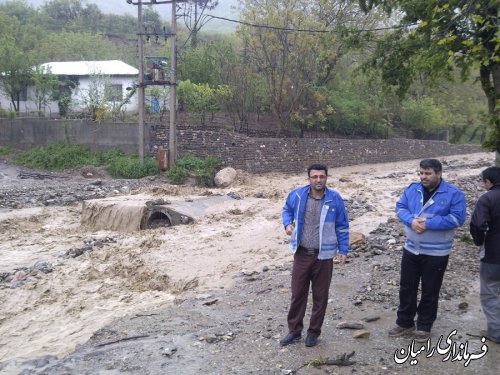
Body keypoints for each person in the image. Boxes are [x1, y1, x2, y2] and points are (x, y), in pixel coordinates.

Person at [390, 158, 466, 342]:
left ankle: (424, 325)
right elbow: (399, 207)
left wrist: (428, 223)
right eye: (421, 173)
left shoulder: (453, 194)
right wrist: (410, 220)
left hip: (436, 252)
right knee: (406, 287)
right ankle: (405, 321)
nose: (423, 177)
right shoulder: (411, 189)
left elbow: (458, 219)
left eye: (428, 174)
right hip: (411, 249)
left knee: (430, 290)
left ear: (439, 174)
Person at [280, 163, 349, 347]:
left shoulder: (334, 198)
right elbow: (286, 209)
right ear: (308, 178)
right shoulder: (298, 195)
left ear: (326, 177)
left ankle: (313, 332)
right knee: (297, 295)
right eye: (314, 177)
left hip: (324, 256)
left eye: (322, 177)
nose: (318, 180)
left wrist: (343, 249)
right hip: (302, 253)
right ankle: (294, 331)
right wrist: (287, 224)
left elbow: (342, 225)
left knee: (320, 296)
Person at [470, 166, 500, 344]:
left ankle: (496, 332)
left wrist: (478, 241)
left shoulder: (487, 198)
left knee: (490, 292)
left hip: (494, 254)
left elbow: (478, 225)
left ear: (488, 182)